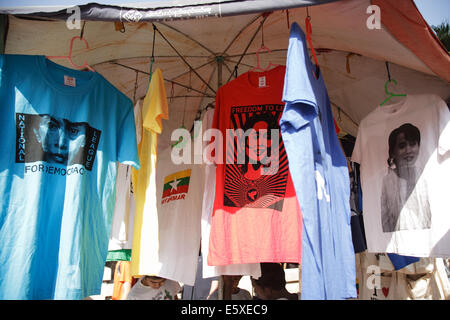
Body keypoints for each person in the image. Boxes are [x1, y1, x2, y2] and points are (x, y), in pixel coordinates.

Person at [380, 123, 431, 232]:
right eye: (402, 146)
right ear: (392, 152)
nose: (408, 150)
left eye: (413, 144)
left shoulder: (423, 177)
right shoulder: (387, 181)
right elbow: (385, 222)